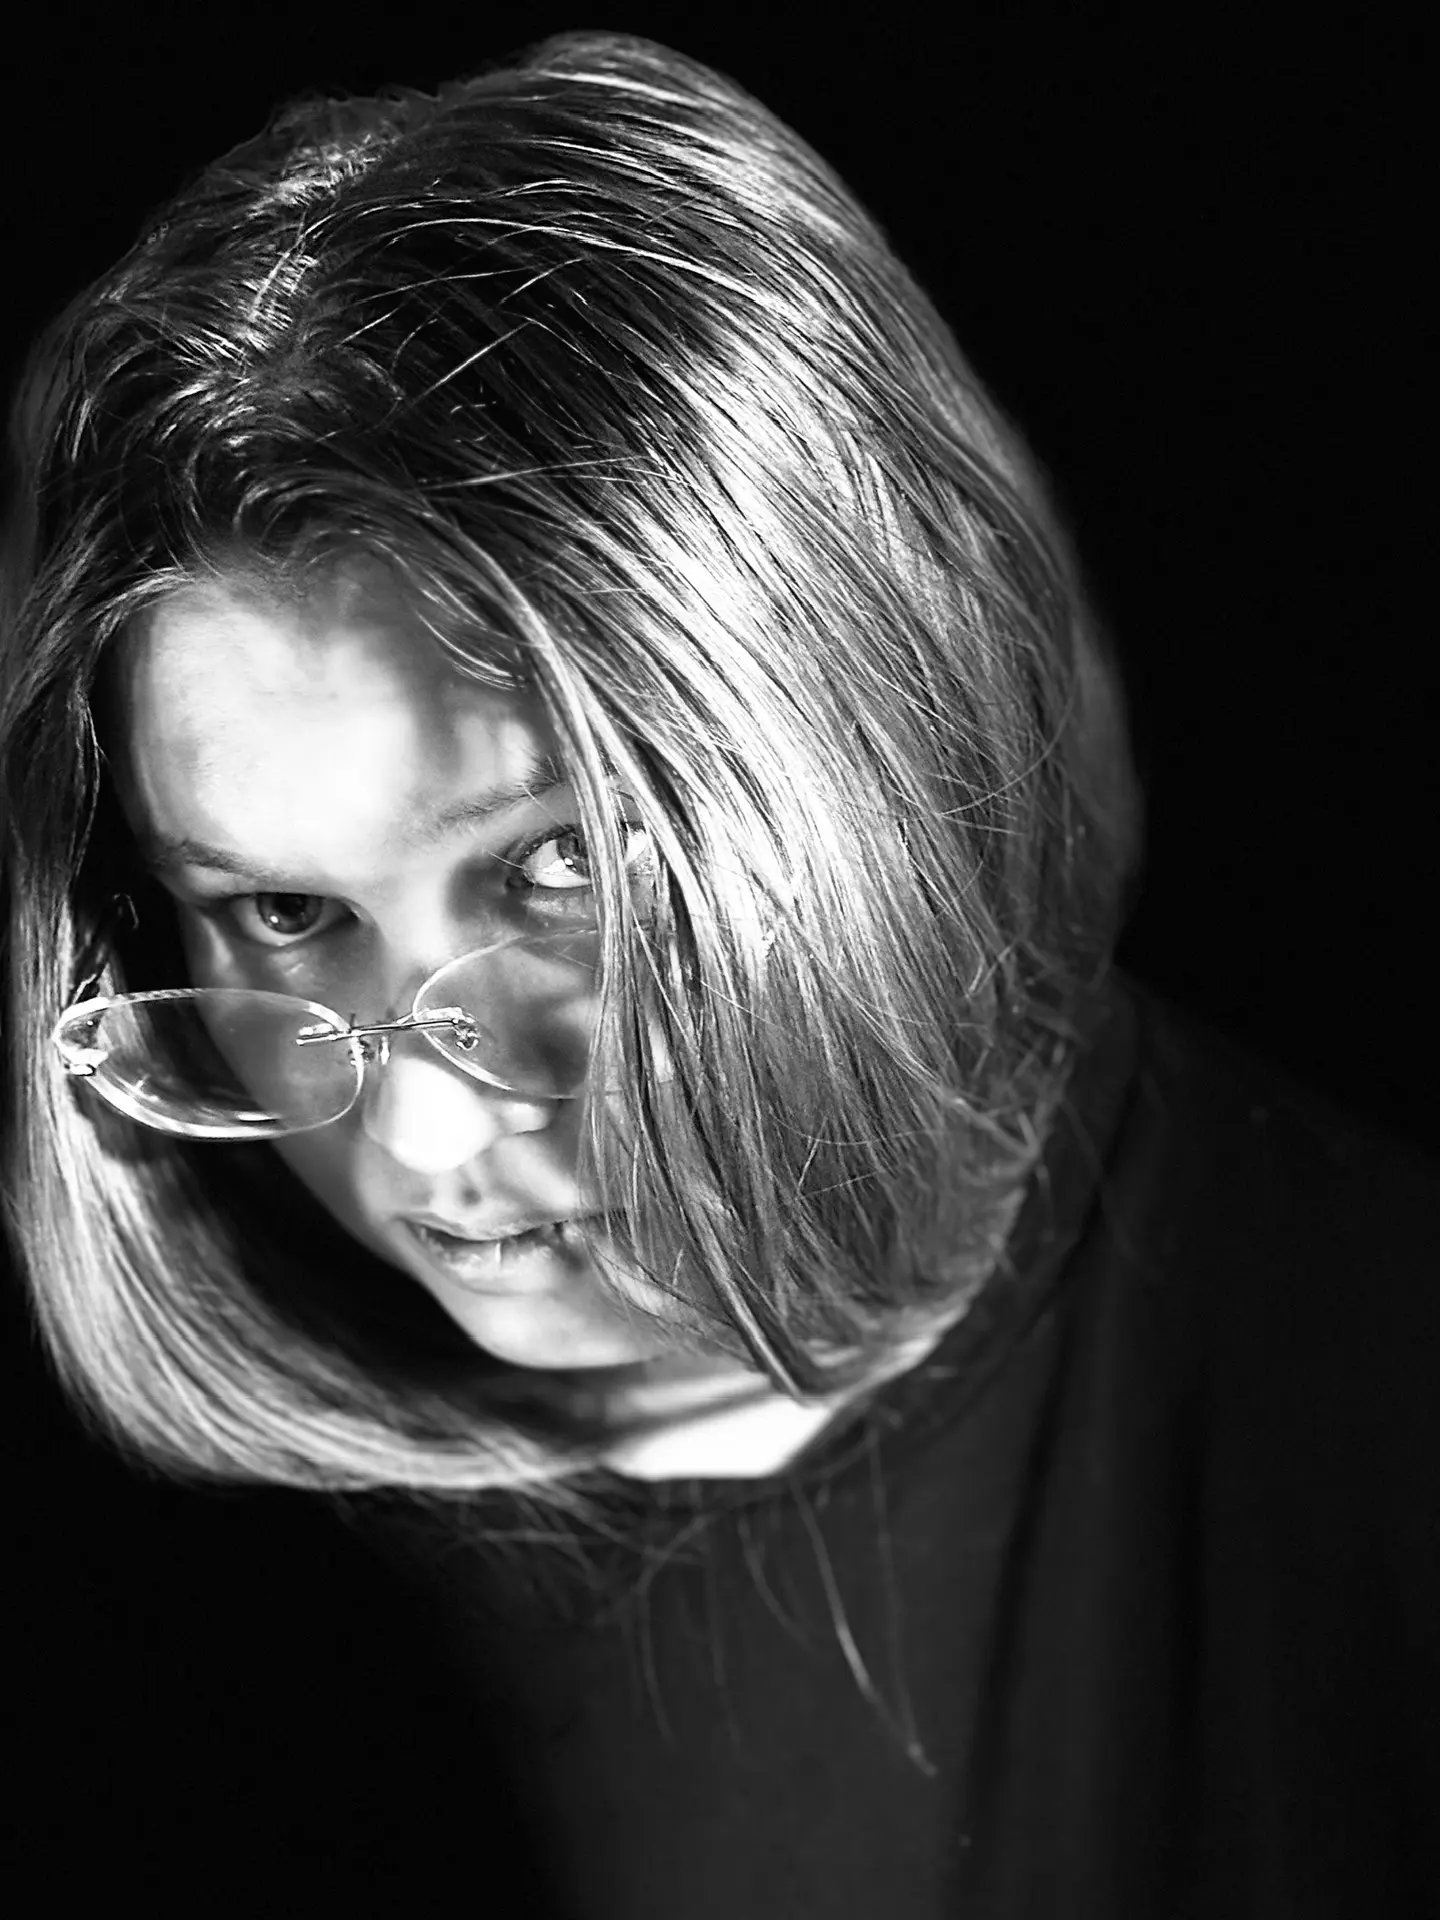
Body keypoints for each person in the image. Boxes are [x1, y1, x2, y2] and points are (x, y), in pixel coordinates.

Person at [0, 30, 1432, 1918]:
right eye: (280, 912)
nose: (424, 1130)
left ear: (863, 765)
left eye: (560, 871)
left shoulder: (1363, 1411)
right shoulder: (142, 1599)